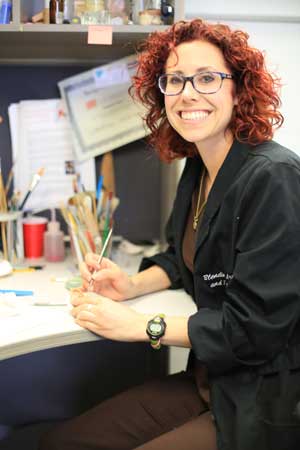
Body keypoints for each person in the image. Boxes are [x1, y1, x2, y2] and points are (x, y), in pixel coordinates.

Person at [39, 18, 300, 450]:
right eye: (175, 80)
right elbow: (183, 260)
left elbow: (254, 330)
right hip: (210, 379)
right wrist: (131, 284)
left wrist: (143, 326)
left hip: (264, 397)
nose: (188, 93)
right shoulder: (198, 166)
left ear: (240, 89)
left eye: (207, 78)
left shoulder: (274, 178)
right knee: (63, 442)